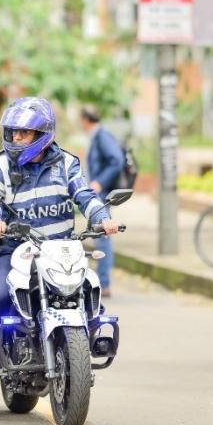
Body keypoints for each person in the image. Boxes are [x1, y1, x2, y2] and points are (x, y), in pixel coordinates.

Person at [0, 97, 120, 375]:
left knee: (88, 287)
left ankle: (91, 336)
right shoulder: (1, 164)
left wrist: (103, 219)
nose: (16, 137)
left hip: (59, 247)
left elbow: (84, 194)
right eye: (13, 131)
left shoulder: (67, 164)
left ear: (42, 135)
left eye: (23, 132)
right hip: (15, 246)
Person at [80, 105, 124, 298]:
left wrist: (99, 182)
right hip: (96, 192)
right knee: (100, 237)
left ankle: (104, 283)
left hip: (100, 192)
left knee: (103, 236)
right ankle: (100, 282)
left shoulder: (102, 137)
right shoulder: (97, 136)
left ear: (85, 120)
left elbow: (117, 160)